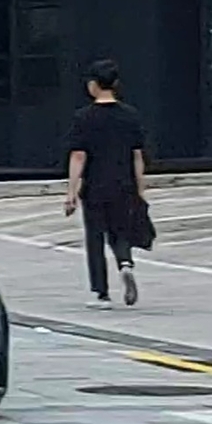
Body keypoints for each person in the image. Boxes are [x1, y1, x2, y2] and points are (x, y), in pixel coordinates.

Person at [64, 56, 149, 307]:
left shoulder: (84, 118)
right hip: (124, 184)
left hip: (95, 186)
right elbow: (137, 156)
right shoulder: (130, 116)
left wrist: (71, 191)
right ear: (116, 83)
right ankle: (125, 263)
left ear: (93, 85)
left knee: (95, 236)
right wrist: (140, 188)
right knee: (120, 231)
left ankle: (101, 293)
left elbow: (79, 155)